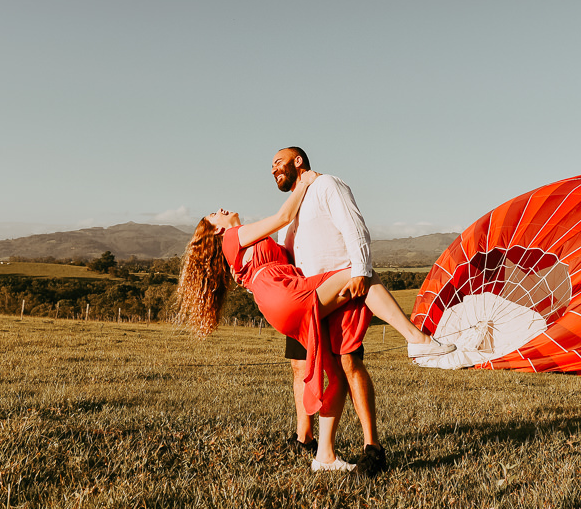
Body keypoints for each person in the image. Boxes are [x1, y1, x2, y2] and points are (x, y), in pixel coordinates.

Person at [176, 170, 453, 473]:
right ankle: (417, 338)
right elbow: (284, 216)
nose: (221, 211)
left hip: (281, 299)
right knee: (361, 273)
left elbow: (291, 247)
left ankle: (325, 456)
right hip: (285, 294)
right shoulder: (234, 235)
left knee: (335, 377)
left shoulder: (246, 245)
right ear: (216, 231)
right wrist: (305, 183)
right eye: (214, 215)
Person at [271, 147, 401, 477]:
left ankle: (372, 449)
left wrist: (361, 270)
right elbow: (287, 251)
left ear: (298, 161)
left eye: (277, 162)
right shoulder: (294, 206)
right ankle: (304, 438)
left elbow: (354, 226)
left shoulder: (328, 185)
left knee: (349, 363)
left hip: (340, 291)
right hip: (304, 298)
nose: (273, 169)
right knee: (299, 367)